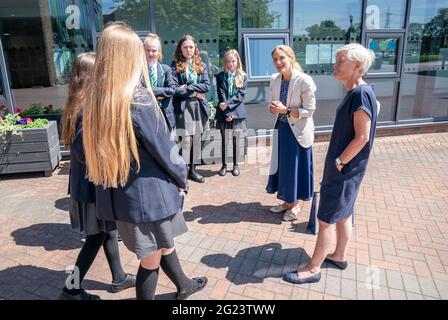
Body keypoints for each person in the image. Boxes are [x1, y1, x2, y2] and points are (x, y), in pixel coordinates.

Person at [82, 22, 207, 300]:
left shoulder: (98, 100)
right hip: (147, 198)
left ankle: (184, 285)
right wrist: (181, 179)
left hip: (121, 197)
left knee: (163, 244)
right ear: (130, 57)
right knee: (150, 261)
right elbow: (166, 150)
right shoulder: (139, 99)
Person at [283, 43, 379, 284]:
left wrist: (339, 161)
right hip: (350, 171)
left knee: (325, 219)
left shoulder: (360, 94)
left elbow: (363, 136)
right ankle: (339, 255)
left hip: (344, 171)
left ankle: (312, 269)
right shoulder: (362, 92)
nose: (335, 65)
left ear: (358, 67)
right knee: (344, 214)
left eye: (340, 61)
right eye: (335, 60)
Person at [59, 52, 135, 300]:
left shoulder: (76, 104)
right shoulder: (86, 109)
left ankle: (119, 277)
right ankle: (71, 289)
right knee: (96, 237)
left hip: (85, 186)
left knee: (107, 231)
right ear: (90, 76)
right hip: (91, 188)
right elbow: (84, 153)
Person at [266, 45, 316, 222]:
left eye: (282, 58)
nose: (278, 62)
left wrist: (286, 110)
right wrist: (273, 108)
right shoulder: (274, 79)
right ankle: (287, 202)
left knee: (295, 169)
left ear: (291, 58)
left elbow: (309, 110)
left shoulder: (304, 80)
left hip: (298, 131)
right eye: (275, 59)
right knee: (283, 168)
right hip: (282, 128)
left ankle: (296, 205)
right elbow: (272, 103)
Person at [172, 35, 210, 183]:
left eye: (191, 47)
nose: (188, 50)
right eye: (185, 47)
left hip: (198, 107)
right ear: (180, 49)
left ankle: (193, 170)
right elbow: (175, 89)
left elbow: (206, 86)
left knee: (197, 140)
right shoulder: (175, 65)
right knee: (186, 141)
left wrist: (188, 87)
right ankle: (184, 170)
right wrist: (195, 92)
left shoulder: (201, 65)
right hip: (184, 107)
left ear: (195, 49)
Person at [215, 49, 247, 177]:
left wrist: (230, 109)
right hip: (224, 113)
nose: (230, 64)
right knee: (224, 140)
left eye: (233, 61)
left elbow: (240, 96)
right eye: (228, 61)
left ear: (237, 61)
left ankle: (235, 165)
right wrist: (227, 113)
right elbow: (221, 94)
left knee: (235, 140)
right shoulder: (220, 76)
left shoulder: (243, 76)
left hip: (238, 113)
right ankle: (224, 165)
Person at [143, 33, 177, 131]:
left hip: (165, 114)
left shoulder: (166, 69)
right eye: (148, 50)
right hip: (146, 114)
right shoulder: (139, 70)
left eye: (154, 51)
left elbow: (172, 90)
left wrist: (150, 90)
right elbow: (138, 91)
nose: (151, 54)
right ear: (143, 51)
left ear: (159, 52)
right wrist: (161, 94)